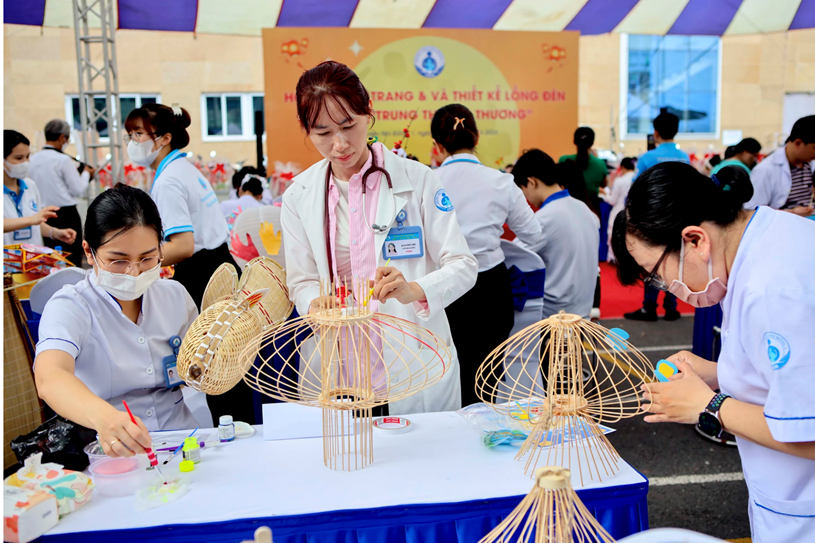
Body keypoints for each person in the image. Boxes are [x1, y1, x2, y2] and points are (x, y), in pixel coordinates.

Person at [612, 163, 815, 543]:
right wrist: (719, 371)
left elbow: (808, 431)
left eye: (656, 273)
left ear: (695, 241)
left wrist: (710, 405)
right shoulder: (766, 235)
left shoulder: (772, 288)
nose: (664, 287)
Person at [282, 61, 477, 414]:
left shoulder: (417, 181)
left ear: (367, 115)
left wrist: (415, 289)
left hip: (412, 356)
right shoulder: (300, 196)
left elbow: (463, 265)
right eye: (323, 132)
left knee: (419, 463)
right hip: (342, 366)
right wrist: (314, 301)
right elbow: (301, 280)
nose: (339, 144)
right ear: (306, 130)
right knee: (349, 459)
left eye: (348, 126)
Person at [33, 185, 200, 459]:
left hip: (183, 439)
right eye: (118, 261)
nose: (134, 272)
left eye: (147, 258)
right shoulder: (71, 306)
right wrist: (106, 418)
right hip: (109, 451)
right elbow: (51, 377)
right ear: (88, 251)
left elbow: (200, 366)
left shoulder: (174, 296)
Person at [124, 103, 251, 426]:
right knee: (227, 365)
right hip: (218, 265)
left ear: (165, 138)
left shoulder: (169, 180)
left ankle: (232, 435)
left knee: (215, 367)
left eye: (138, 134)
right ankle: (238, 431)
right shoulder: (184, 169)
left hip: (202, 274)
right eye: (130, 135)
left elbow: (182, 245)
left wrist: (135, 263)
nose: (132, 142)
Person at [431, 104, 541, 406]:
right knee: (487, 376)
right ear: (477, 137)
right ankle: (485, 435)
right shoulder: (501, 181)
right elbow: (534, 234)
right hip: (491, 288)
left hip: (445, 287)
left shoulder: (427, 182)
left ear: (437, 146)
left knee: (447, 371)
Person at [512, 149, 599, 320]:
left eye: (522, 191)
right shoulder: (585, 210)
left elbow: (511, 256)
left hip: (554, 320)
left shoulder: (546, 217)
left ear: (531, 182)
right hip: (582, 317)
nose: (526, 199)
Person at [625, 110, 690, 322]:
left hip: (652, 218)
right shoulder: (684, 158)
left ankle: (649, 307)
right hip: (678, 218)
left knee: (651, 262)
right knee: (674, 261)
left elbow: (635, 189)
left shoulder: (647, 158)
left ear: (655, 132)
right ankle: (671, 307)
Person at [27, 119, 95, 266]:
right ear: (62, 138)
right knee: (71, 260)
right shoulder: (63, 160)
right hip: (66, 215)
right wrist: (87, 174)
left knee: (47, 261)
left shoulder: (32, 159)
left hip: (41, 215)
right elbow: (78, 189)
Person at [4, 130, 76, 248]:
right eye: (18, 158)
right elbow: (31, 220)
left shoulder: (30, 185)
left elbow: (34, 224)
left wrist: (54, 233)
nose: (25, 163)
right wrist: (33, 219)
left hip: (33, 262)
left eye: (27, 157)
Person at [745, 115, 815, 217]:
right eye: (814, 148)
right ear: (798, 143)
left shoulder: (809, 164)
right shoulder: (765, 170)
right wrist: (792, 213)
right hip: (780, 227)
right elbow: (753, 212)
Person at [559, 127, 608, 213]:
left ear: (574, 141)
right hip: (592, 211)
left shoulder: (564, 161)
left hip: (566, 210)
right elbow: (604, 185)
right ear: (592, 143)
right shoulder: (600, 164)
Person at [603, 157, 635, 263]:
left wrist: (604, 195)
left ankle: (614, 257)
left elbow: (613, 200)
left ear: (622, 167)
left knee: (614, 234)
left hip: (618, 211)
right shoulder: (638, 178)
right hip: (633, 212)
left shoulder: (620, 181)